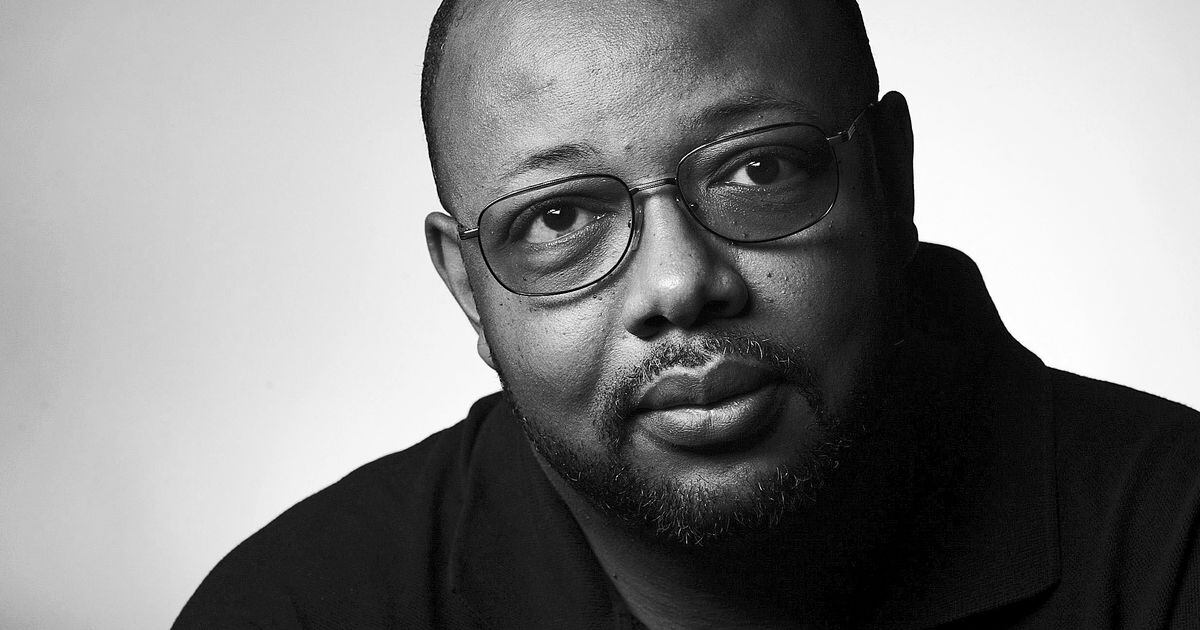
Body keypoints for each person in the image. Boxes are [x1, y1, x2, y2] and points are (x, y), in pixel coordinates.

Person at [173, 1, 1200, 628]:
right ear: (469, 287)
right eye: (559, 217)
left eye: (758, 170)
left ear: (890, 179)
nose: (678, 284)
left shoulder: (1174, 547)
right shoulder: (300, 610)